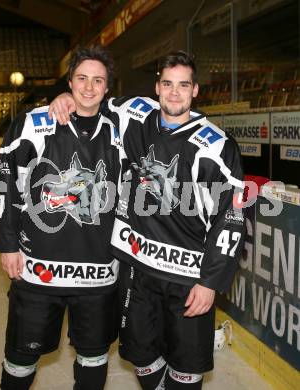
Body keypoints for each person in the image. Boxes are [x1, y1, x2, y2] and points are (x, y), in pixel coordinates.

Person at [49, 50, 245, 390]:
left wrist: (210, 282)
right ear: (157, 87)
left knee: (186, 369)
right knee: (139, 356)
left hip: (187, 276)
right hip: (137, 271)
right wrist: (66, 96)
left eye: (183, 85)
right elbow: (91, 97)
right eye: (167, 84)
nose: (174, 93)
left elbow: (231, 219)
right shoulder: (134, 112)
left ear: (196, 90)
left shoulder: (217, 146)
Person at [0, 46, 125, 390]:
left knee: (93, 357)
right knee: (21, 357)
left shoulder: (122, 130)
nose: (89, 87)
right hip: (37, 269)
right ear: (69, 81)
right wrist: (7, 245)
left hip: (97, 273)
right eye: (81, 79)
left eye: (98, 80)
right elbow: (5, 185)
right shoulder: (33, 123)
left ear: (108, 88)